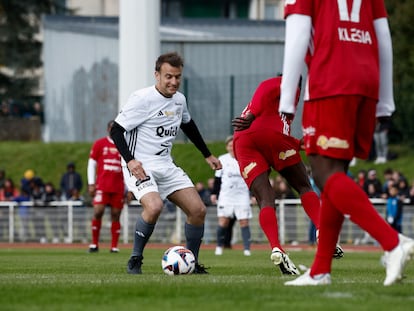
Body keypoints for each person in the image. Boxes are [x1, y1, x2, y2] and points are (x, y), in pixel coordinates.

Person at [280, 0, 414, 286]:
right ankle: (320, 270)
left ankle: (392, 242)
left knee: (323, 173)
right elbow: (383, 38)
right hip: (366, 81)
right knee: (334, 175)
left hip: (330, 82)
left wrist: (287, 98)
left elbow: (298, 35)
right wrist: (385, 100)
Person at [110, 52, 222, 274]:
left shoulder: (180, 100)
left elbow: (188, 125)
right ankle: (135, 259)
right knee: (154, 207)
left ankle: (191, 263)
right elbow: (116, 130)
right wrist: (130, 160)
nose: (174, 82)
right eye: (168, 76)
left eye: (177, 77)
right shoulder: (141, 99)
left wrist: (207, 154)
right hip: (141, 164)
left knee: (198, 210)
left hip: (166, 164)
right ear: (157, 75)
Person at [232, 75, 342, 276]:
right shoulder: (289, 84)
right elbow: (266, 88)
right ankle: (322, 230)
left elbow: (274, 125)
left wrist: (297, 143)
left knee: (265, 199)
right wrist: (252, 115)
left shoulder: (276, 105)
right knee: (303, 186)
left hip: (243, 142)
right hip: (267, 136)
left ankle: (276, 247)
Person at [87, 120, 125, 253]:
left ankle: (114, 246)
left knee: (116, 214)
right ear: (108, 129)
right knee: (98, 211)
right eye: (111, 128)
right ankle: (94, 244)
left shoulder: (124, 144)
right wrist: (91, 183)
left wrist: (130, 189)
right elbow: (92, 163)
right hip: (102, 185)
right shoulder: (100, 144)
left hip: (118, 186)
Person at [211, 135, 253, 257]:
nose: (232, 147)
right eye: (229, 145)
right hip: (226, 195)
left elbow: (251, 177)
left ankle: (246, 249)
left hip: (242, 195)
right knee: (223, 221)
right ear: (227, 147)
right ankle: (219, 246)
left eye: (233, 145)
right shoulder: (222, 159)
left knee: (244, 221)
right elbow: (217, 178)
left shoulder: (245, 157)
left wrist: (253, 194)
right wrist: (214, 193)